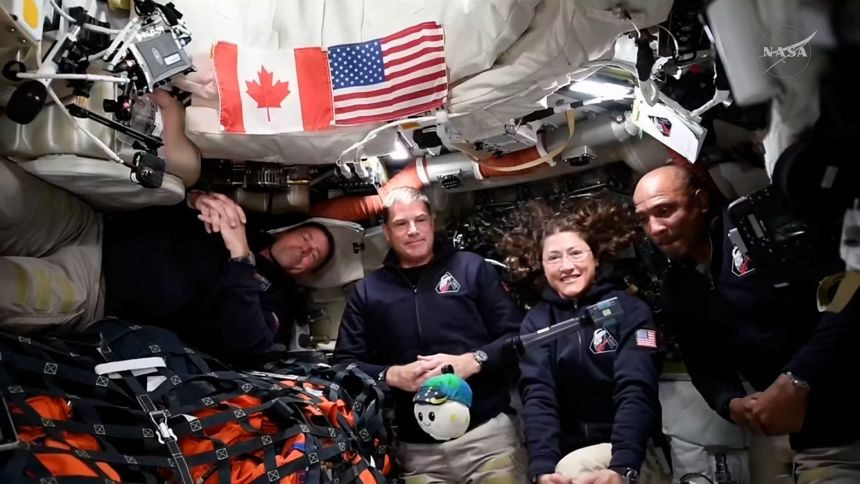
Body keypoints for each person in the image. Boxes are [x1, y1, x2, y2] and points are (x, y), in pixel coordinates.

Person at [633, 164, 860, 483]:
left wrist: (800, 378)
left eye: (665, 210)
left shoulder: (758, 228)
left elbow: (850, 291)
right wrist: (730, 403)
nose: (654, 228)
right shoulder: (678, 288)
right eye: (644, 219)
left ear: (699, 201)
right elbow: (703, 362)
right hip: (812, 433)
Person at [0, 157, 333, 357]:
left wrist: (240, 256)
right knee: (8, 188)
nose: (305, 249)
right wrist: (196, 200)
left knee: (10, 287)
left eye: (313, 256)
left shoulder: (274, 301)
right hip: (88, 225)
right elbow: (164, 196)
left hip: (94, 291)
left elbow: (247, 343)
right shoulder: (242, 218)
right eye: (306, 238)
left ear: (304, 273)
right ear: (289, 231)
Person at [334, 186, 528, 483]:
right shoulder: (369, 291)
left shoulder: (470, 268)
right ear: (386, 232)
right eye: (401, 224)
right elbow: (342, 366)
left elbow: (517, 339)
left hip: (486, 438)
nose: (413, 230)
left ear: (432, 223)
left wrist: (474, 360)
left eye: (420, 220)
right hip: (417, 453)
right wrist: (391, 375)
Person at [499, 199, 666, 484]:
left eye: (575, 253)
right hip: (566, 457)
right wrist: (543, 471)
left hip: (632, 451)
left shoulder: (630, 311)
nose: (566, 266)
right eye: (553, 258)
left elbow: (636, 388)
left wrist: (623, 468)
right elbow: (539, 397)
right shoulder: (538, 323)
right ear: (541, 264)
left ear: (596, 257)